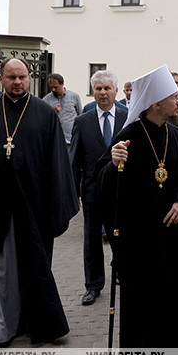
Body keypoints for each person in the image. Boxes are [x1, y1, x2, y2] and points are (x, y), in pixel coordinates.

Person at [97, 64, 178, 355]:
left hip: (171, 239)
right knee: (141, 302)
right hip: (138, 239)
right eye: (174, 97)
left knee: (171, 298)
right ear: (157, 103)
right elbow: (101, 179)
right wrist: (113, 163)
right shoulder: (127, 137)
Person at [0, 58, 78, 348]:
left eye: (22, 77)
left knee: (33, 267)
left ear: (29, 78)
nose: (17, 82)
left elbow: (57, 165)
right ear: (1, 79)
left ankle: (37, 324)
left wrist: (56, 208)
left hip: (32, 209)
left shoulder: (44, 113)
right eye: (11, 77)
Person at [69, 70, 127, 306]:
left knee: (121, 238)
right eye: (99, 89)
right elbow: (75, 161)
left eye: (107, 88)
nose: (103, 93)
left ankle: (123, 273)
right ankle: (93, 285)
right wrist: (73, 194)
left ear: (116, 90)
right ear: (93, 92)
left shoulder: (128, 119)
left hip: (122, 191)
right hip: (93, 191)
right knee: (92, 241)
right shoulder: (82, 122)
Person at [42, 72, 82, 145]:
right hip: (54, 141)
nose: (53, 90)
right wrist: (53, 112)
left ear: (62, 84)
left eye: (55, 87)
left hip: (72, 139)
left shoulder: (74, 96)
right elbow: (43, 121)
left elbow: (80, 116)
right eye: (51, 87)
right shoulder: (46, 100)